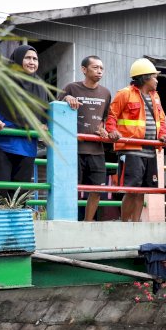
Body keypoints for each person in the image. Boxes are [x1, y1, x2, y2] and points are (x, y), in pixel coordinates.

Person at [106, 58, 166, 222]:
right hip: (131, 149)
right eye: (155, 77)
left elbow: (161, 121)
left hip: (150, 150)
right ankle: (125, 223)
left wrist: (163, 134)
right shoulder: (125, 94)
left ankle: (135, 224)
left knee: (142, 190)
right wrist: (112, 131)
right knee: (132, 189)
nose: (157, 80)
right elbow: (111, 116)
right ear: (145, 78)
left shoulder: (155, 97)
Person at [0, 45, 50, 201]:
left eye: (35, 59)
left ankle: (17, 225)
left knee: (20, 196)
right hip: (0, 143)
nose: (32, 62)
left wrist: (43, 126)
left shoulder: (41, 87)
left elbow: (44, 115)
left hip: (27, 147)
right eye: (27, 58)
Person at [61, 55, 112, 221]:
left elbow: (104, 119)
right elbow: (55, 110)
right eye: (95, 67)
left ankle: (87, 223)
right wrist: (66, 98)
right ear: (84, 70)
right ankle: (69, 223)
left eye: (101, 68)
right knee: (70, 189)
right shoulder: (71, 88)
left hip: (96, 150)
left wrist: (103, 130)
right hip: (73, 149)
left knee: (96, 189)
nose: (99, 71)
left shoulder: (105, 93)